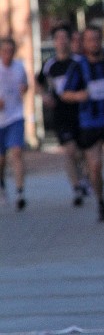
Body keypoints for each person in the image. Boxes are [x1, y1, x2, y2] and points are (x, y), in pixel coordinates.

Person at [62, 24, 104, 222]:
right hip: (90, 123)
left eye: (97, 39)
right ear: (84, 43)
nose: (94, 43)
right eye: (89, 39)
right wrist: (79, 95)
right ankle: (100, 201)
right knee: (95, 166)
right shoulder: (78, 66)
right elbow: (65, 93)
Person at [36, 23, 87, 207]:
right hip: (60, 113)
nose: (62, 42)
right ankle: (76, 187)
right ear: (54, 42)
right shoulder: (49, 65)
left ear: (70, 40)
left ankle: (84, 176)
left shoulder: (79, 62)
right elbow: (38, 83)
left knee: (82, 152)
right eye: (58, 38)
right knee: (70, 150)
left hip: (81, 112)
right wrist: (44, 96)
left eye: (65, 38)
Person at [0, 37, 28, 210]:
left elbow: (25, 85)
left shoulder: (19, 67)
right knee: (1, 159)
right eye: (5, 51)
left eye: (11, 51)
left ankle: (20, 192)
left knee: (16, 152)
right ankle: (1, 183)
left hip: (16, 116)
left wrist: (24, 89)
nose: (8, 54)